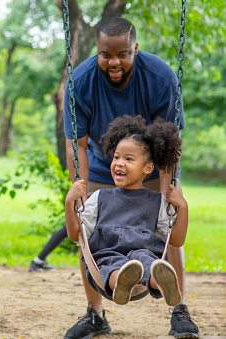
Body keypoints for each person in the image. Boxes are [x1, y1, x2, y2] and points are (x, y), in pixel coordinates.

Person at [59, 17, 199, 339]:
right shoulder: (81, 81)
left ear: (135, 48)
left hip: (152, 162)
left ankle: (178, 310)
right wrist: (78, 191)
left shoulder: (160, 77)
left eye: (122, 54)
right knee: (90, 232)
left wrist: (167, 194)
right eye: (106, 54)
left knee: (165, 222)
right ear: (97, 50)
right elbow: (75, 144)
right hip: (100, 164)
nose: (114, 62)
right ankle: (95, 315)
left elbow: (168, 143)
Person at [66, 115, 187, 309]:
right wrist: (69, 202)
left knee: (147, 261)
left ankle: (163, 283)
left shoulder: (156, 202)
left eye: (128, 159)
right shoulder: (99, 197)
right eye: (116, 157)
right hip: (107, 252)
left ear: (148, 168)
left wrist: (183, 208)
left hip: (142, 251)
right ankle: (122, 283)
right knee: (111, 265)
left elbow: (177, 240)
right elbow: (75, 235)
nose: (119, 163)